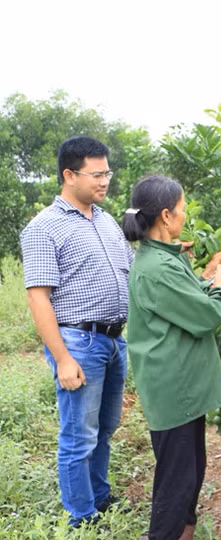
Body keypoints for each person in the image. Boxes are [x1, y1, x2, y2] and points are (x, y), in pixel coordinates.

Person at [20, 136, 131, 527]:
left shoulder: (106, 221)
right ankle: (82, 517)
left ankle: (101, 498)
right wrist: (63, 359)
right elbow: (39, 299)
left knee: (105, 428)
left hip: (116, 340)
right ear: (69, 175)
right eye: (96, 174)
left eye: (107, 173)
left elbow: (131, 272)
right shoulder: (44, 228)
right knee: (78, 436)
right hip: (78, 343)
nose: (105, 181)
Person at [122, 175, 221, 540]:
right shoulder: (157, 268)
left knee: (190, 473)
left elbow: (184, 294)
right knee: (176, 482)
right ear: (166, 216)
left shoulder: (161, 259)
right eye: (183, 210)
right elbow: (205, 315)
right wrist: (219, 288)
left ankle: (184, 533)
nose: (185, 216)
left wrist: (206, 271)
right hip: (175, 390)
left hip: (181, 389)